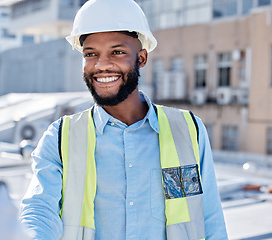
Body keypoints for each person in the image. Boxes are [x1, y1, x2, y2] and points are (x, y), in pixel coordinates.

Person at [20, 0, 228, 239]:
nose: (102, 65)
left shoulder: (188, 130)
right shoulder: (60, 137)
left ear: (141, 58)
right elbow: (39, 210)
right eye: (91, 54)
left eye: (117, 52)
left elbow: (210, 219)